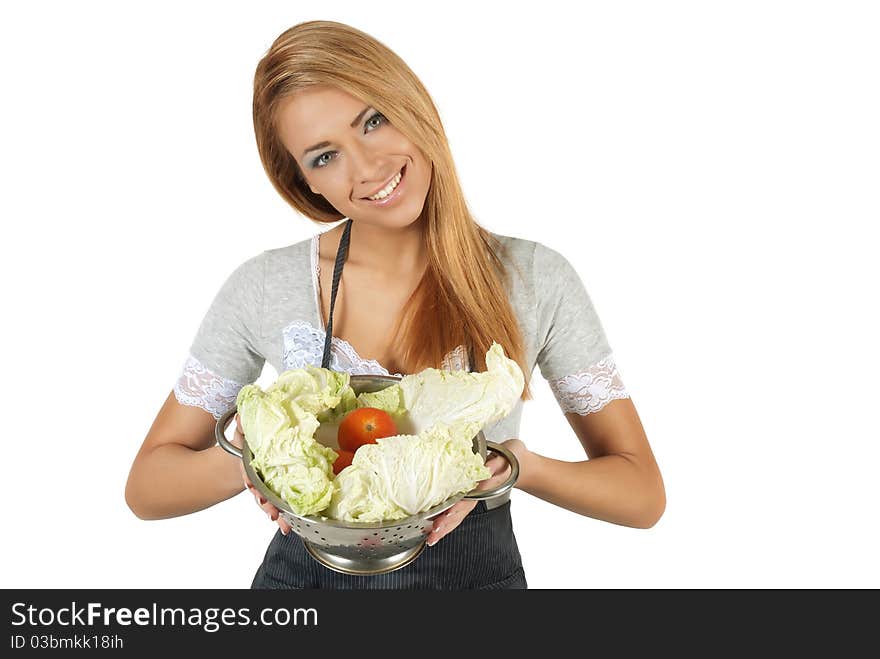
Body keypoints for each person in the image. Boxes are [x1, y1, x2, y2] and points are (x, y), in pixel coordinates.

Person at [124, 20, 665, 589]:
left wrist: (517, 466)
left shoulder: (535, 279)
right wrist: (255, 461)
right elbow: (148, 487)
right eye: (324, 156)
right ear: (305, 183)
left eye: (373, 121)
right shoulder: (264, 286)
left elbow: (640, 494)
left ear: (411, 104)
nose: (367, 168)